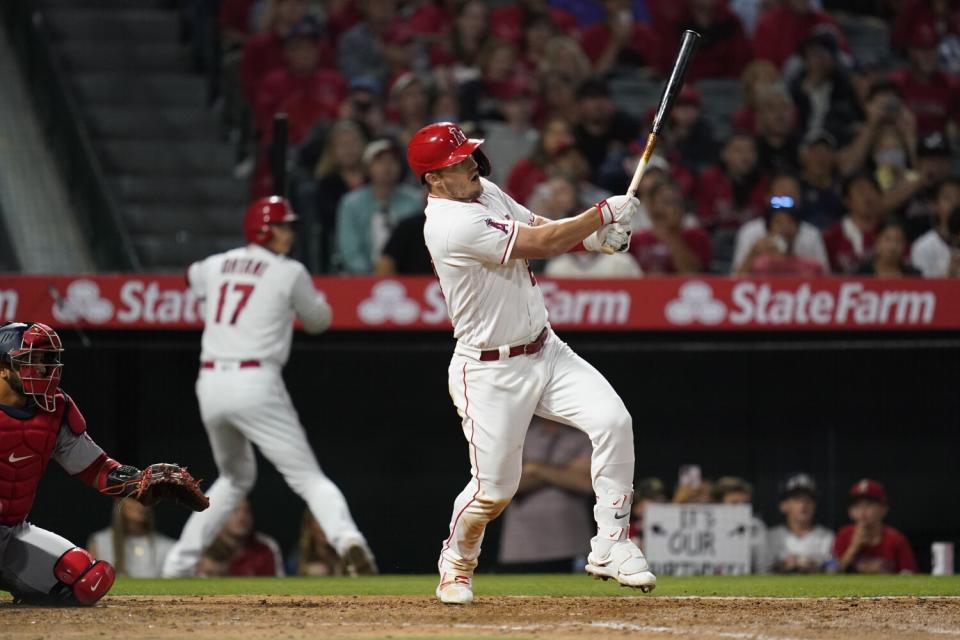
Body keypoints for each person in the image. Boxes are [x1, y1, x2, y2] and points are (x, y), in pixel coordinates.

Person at [407, 122, 651, 604]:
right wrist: (600, 214)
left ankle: (612, 543)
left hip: (545, 349)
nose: (472, 164)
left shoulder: (484, 193)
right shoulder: (450, 224)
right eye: (458, 163)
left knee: (613, 421)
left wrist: (595, 241)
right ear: (434, 179)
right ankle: (456, 562)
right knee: (494, 492)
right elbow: (538, 247)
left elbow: (536, 227)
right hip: (489, 371)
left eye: (470, 155)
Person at [162, 196, 377, 578]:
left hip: (210, 382)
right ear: (264, 229)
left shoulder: (216, 264)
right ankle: (348, 541)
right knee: (308, 478)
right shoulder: (289, 271)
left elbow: (189, 275)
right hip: (254, 379)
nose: (289, 233)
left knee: (235, 477)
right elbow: (318, 322)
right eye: (283, 226)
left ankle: (177, 565)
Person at [0, 322, 205, 605]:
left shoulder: (55, 409)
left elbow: (94, 468)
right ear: (2, 368)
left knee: (89, 579)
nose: (43, 370)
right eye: (29, 361)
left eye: (45, 360)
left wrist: (137, 483)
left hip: (10, 533)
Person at [497, 418, 594, 573]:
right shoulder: (517, 436)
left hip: (570, 540)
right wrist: (565, 471)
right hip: (522, 544)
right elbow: (505, 486)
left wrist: (535, 468)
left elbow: (586, 484)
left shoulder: (582, 436)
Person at [336, 139, 424, 273]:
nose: (387, 167)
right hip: (361, 278)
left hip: (408, 277)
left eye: (392, 161)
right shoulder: (351, 203)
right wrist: (370, 276)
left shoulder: (413, 200)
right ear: (367, 168)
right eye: (380, 161)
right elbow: (350, 249)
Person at [731, 173, 830, 274]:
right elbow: (735, 279)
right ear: (768, 195)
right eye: (782, 188)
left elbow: (826, 278)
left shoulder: (811, 234)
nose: (786, 194)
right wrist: (754, 253)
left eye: (792, 190)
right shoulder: (750, 231)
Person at [833, 479, 918, 574]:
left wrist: (885, 574)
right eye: (856, 505)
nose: (862, 510)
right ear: (849, 512)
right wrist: (854, 547)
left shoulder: (896, 539)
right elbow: (832, 573)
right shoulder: (844, 535)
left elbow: (909, 575)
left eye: (869, 504)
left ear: (883, 509)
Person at [629, 180, 712, 274]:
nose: (673, 207)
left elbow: (691, 274)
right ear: (651, 205)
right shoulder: (636, 240)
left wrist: (672, 234)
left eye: (677, 202)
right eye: (666, 201)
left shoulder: (697, 236)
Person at [87, 499, 175, 578]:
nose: (141, 505)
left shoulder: (168, 547)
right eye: (135, 499)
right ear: (120, 501)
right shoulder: (100, 542)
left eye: (145, 499)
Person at [767, 473, 835, 574]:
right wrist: (783, 565)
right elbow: (761, 569)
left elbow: (834, 567)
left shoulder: (826, 536)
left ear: (814, 505)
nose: (803, 504)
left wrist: (818, 566)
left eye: (808, 500)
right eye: (797, 499)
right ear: (783, 505)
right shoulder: (771, 536)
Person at [822, 173, 883, 275]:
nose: (867, 197)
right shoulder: (832, 236)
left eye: (871, 190)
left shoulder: (890, 232)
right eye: (860, 191)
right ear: (847, 200)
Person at [206, 500, 284, 577]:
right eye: (234, 510)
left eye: (247, 511)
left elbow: (279, 585)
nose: (242, 517)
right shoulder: (204, 545)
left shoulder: (266, 547)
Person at [712, 476, 772, 574]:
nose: (740, 508)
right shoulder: (705, 525)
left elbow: (764, 568)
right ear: (719, 503)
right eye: (734, 503)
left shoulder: (755, 527)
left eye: (744, 504)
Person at [911, 179, 960, 277]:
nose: (955, 204)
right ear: (935, 205)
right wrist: (950, 276)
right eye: (948, 198)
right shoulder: (923, 247)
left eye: (958, 198)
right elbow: (923, 289)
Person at [287, 510, 344, 576]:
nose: (324, 528)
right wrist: (304, 572)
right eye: (320, 521)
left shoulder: (343, 553)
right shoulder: (297, 557)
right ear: (310, 526)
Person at [856, 222, 922, 277]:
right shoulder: (862, 273)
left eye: (898, 240)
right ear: (877, 243)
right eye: (887, 239)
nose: (893, 246)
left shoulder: (913, 275)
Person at [629, 478, 667, 552]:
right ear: (639, 502)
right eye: (652, 498)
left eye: (661, 497)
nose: (658, 502)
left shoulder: (670, 523)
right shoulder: (628, 527)